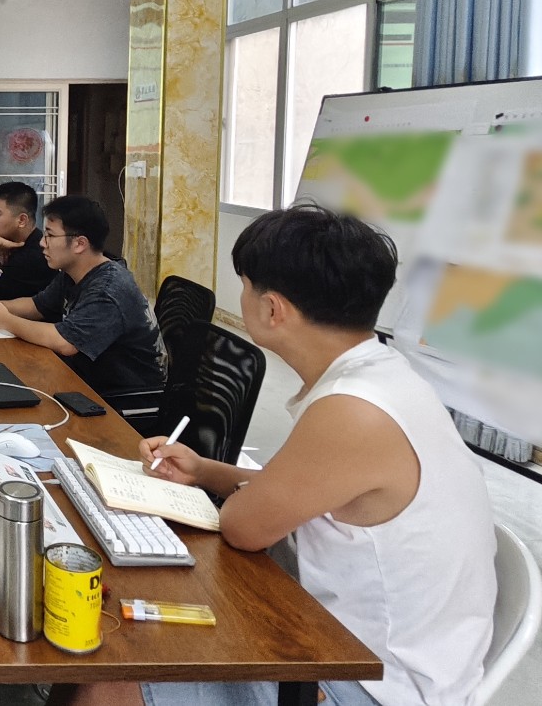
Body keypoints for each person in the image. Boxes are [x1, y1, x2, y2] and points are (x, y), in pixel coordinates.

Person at [58, 205, 497, 706]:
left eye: (244, 286)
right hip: (343, 641)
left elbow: (243, 527)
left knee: (109, 674)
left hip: (370, 680)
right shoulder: (381, 377)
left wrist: (225, 490)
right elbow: (306, 492)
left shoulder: (354, 411)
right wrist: (204, 470)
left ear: (272, 309)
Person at [0, 195, 164, 398]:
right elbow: (37, 306)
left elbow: (65, 342)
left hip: (124, 396)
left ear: (79, 243)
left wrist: (4, 319)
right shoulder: (72, 273)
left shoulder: (108, 289)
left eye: (50, 236)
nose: (42, 243)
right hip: (85, 376)